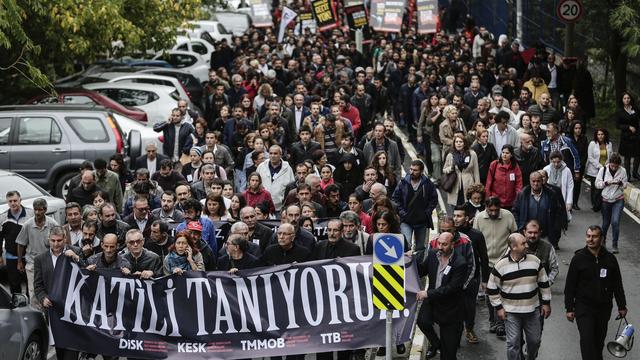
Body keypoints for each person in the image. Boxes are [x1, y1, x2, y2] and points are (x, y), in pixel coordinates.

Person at [564, 225, 627, 360]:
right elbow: (570, 286)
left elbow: (617, 284)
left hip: (603, 308)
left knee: (598, 342)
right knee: (587, 340)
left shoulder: (610, 259)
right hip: (584, 307)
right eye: (588, 236)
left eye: (594, 236)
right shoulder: (578, 259)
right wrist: (569, 308)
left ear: (602, 238)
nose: (590, 239)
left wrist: (622, 305)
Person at [487, 233, 551, 360]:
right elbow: (491, 288)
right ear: (513, 247)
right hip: (511, 312)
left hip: (532, 310)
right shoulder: (501, 265)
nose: (527, 245)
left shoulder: (535, 261)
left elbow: (544, 282)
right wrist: (499, 308)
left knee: (534, 341)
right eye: (523, 243)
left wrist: (546, 303)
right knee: (513, 344)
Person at [416, 232, 467, 360]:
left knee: (448, 354)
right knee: (422, 321)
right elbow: (422, 270)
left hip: (451, 309)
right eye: (439, 243)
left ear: (453, 244)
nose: (440, 247)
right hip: (433, 302)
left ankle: (443, 348)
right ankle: (436, 344)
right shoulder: (433, 254)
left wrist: (427, 293)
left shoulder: (460, 263)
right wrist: (411, 260)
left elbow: (450, 289)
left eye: (444, 244)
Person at [33, 225, 82, 360]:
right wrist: (43, 298)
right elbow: (38, 285)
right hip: (53, 312)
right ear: (48, 239)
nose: (56, 244)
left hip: (73, 310)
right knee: (60, 350)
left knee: (71, 351)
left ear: (65, 239)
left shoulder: (76, 251)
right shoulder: (40, 259)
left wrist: (77, 259)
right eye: (53, 240)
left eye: (59, 240)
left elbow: (87, 274)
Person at [473, 197, 517, 338]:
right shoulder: (479, 218)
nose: (493, 213)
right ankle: (493, 320)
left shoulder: (508, 216)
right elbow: (475, 238)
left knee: (503, 292)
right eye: (490, 210)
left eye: (496, 210)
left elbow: (515, 235)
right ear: (485, 207)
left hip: (504, 261)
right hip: (487, 263)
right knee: (490, 293)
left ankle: (500, 323)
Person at [453, 205, 489, 344]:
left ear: (467, 218)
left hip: (472, 277)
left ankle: (469, 329)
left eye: (459, 216)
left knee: (469, 306)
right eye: (454, 216)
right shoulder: (451, 234)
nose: (456, 219)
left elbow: (484, 258)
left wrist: (484, 280)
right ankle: (454, 334)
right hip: (454, 277)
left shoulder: (476, 235)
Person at [15, 198, 59, 304]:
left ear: (45, 210)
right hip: (32, 262)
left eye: (40, 210)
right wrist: (19, 261)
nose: (37, 212)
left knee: (51, 289)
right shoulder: (28, 225)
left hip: (49, 262)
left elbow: (59, 241)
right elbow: (21, 244)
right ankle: (36, 315)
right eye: (35, 210)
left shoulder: (52, 224)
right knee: (33, 291)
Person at [512, 172, 567, 249]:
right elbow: (515, 211)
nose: (536, 183)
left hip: (546, 235)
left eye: (538, 181)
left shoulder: (551, 194)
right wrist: (520, 227)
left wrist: (555, 229)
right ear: (530, 181)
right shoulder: (522, 195)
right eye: (533, 181)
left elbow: (558, 212)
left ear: (542, 181)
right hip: (527, 235)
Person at [392, 159, 438, 251]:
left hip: (422, 222)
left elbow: (433, 200)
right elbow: (395, 199)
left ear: (421, 171)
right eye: (411, 169)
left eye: (415, 170)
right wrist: (402, 212)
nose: (412, 172)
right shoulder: (403, 183)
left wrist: (427, 213)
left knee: (420, 248)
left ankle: (418, 264)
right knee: (406, 245)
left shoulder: (428, 184)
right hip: (406, 220)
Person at [0, 190, 33, 294]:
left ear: (20, 200)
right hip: (11, 256)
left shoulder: (30, 214)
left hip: (28, 255)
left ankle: (31, 307)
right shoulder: (3, 217)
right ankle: (17, 307)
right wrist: (0, 256)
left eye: (15, 200)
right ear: (7, 202)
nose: (13, 203)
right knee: (14, 284)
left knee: (30, 283)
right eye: (10, 201)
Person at [595, 153, 627, 253]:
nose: (614, 168)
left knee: (615, 222)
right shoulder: (603, 170)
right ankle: (602, 241)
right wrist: (606, 183)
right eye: (612, 166)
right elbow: (597, 184)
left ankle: (615, 244)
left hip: (618, 199)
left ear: (619, 165)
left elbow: (625, 185)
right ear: (609, 163)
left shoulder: (623, 171)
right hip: (606, 200)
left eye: (616, 166)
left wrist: (620, 183)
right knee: (605, 223)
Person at [442, 134, 480, 212]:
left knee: (468, 210)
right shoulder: (450, 155)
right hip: (455, 186)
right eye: (456, 142)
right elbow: (444, 169)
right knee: (454, 211)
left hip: (469, 185)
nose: (458, 143)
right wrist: (450, 169)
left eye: (461, 142)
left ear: (464, 143)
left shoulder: (472, 154)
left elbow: (476, 172)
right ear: (454, 143)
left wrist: (477, 188)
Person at [256, 145, 295, 212]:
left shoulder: (288, 169)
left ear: (280, 155)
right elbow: (255, 183)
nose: (273, 156)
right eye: (271, 153)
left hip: (280, 207)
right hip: (262, 207)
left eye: (275, 153)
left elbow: (291, 187)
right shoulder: (261, 167)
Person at [486, 144, 523, 209]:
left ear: (511, 155)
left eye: (507, 153)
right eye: (503, 152)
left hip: (511, 201)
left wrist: (517, 199)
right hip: (495, 200)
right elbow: (488, 183)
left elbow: (519, 184)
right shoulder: (494, 165)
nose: (504, 155)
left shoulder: (515, 166)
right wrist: (488, 198)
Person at [585, 128, 612, 212]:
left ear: (605, 135)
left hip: (606, 169)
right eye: (598, 134)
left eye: (602, 134)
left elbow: (610, 157)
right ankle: (595, 205)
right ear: (596, 135)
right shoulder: (593, 144)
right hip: (594, 170)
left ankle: (599, 205)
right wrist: (599, 166)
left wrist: (606, 166)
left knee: (603, 187)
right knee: (595, 188)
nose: (600, 136)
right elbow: (590, 157)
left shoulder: (609, 144)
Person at [614, 91, 639, 180]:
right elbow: (617, 125)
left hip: (636, 135)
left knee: (638, 155)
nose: (627, 100)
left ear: (630, 99)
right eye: (625, 98)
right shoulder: (619, 111)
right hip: (626, 136)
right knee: (627, 156)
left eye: (628, 98)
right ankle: (627, 175)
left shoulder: (635, 109)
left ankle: (635, 172)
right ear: (622, 100)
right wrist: (628, 127)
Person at [543, 151, 575, 219]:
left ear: (562, 160)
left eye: (558, 162)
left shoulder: (567, 170)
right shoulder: (546, 169)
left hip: (561, 197)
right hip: (549, 197)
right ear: (550, 160)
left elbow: (570, 187)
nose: (556, 164)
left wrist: (569, 202)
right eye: (554, 162)